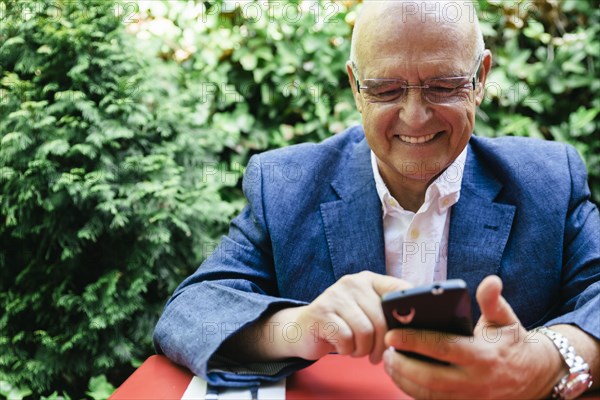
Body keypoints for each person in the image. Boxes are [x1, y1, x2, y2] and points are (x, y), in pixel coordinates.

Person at [154, 1, 600, 398]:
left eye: (443, 86)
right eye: (386, 89)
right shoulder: (285, 185)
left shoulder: (549, 181)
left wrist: (547, 360)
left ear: (479, 78)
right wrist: (302, 326)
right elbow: (190, 311)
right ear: (355, 87)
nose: (415, 116)